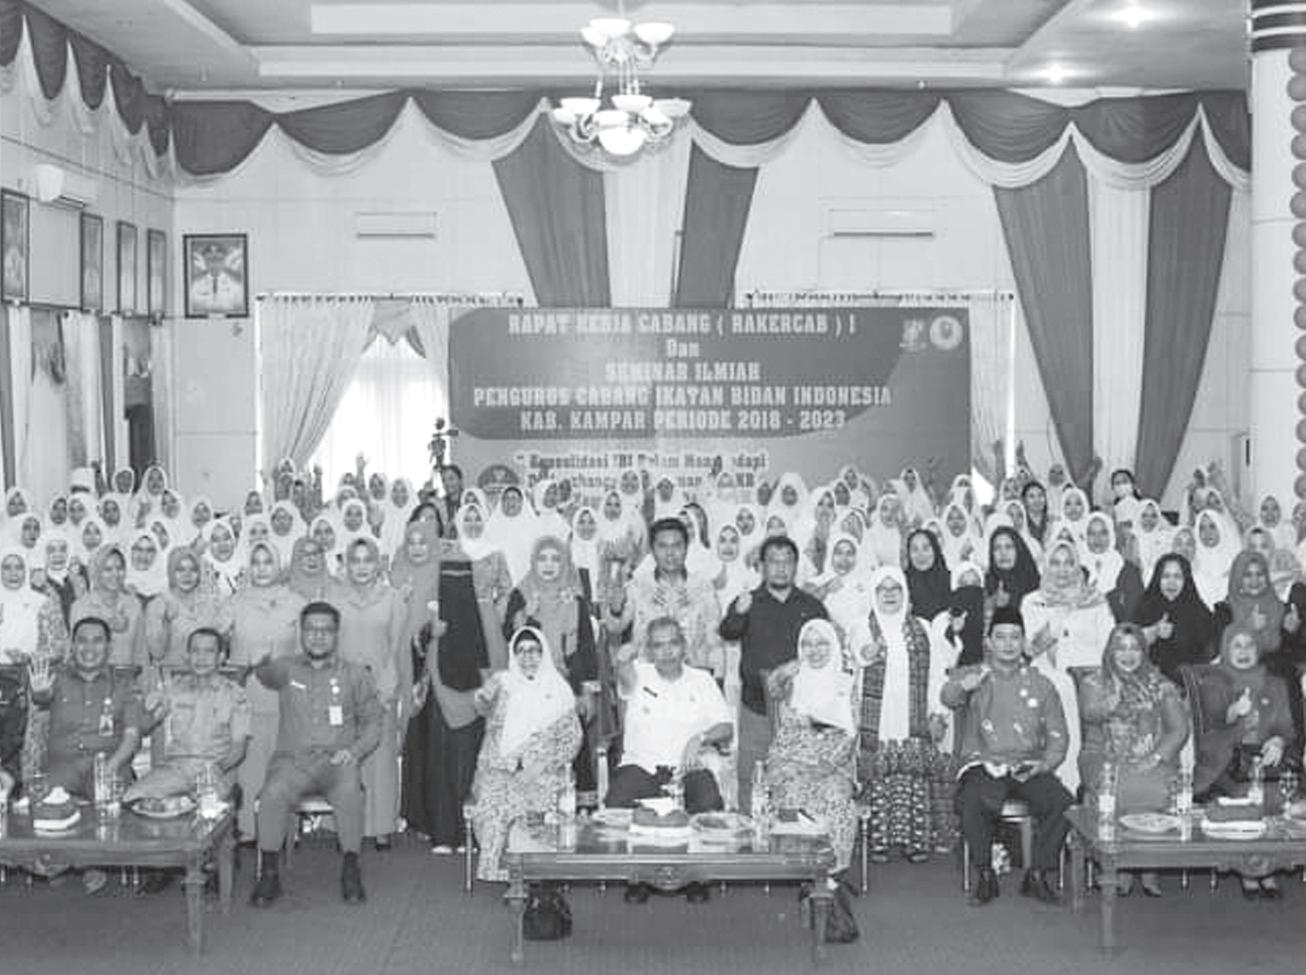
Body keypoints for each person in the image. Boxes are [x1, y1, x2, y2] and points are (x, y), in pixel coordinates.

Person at [249, 601, 383, 907]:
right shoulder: (287, 668)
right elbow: (266, 676)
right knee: (272, 793)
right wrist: (260, 662)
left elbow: (374, 722)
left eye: (326, 630)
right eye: (311, 629)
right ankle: (269, 873)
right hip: (293, 762)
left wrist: (355, 751)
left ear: (337, 634)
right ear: (301, 633)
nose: (318, 636)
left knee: (350, 792)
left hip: (337, 763)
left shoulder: (356, 674)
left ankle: (351, 869)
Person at [941, 606, 1072, 906]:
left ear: (1024, 641)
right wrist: (963, 686)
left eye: (1015, 637)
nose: (1008, 644)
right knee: (972, 799)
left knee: (1062, 802)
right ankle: (986, 874)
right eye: (1000, 637)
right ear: (988, 642)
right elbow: (947, 697)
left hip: (1028, 764)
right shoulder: (975, 675)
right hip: (983, 762)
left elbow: (1058, 735)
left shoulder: (1041, 684)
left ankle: (1037, 874)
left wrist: (1045, 765)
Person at [607, 617, 733, 904]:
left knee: (709, 804)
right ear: (649, 650)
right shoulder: (639, 675)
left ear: (684, 646)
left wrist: (700, 738)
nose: (666, 651)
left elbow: (726, 727)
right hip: (642, 764)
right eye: (658, 645)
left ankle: (696, 876)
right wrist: (626, 655)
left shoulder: (702, 680)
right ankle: (637, 875)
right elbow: (621, 667)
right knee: (616, 802)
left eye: (673, 643)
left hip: (688, 766)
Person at [124, 628, 252, 894]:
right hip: (177, 769)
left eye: (209, 652)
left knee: (207, 808)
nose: (201, 658)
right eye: (195, 651)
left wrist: (215, 771)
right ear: (187, 655)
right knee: (133, 797)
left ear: (221, 657)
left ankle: (210, 864)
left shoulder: (235, 694)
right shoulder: (173, 689)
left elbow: (239, 749)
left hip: (217, 769)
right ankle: (163, 864)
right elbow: (146, 725)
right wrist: (145, 707)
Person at [29, 616, 144, 894]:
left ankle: (90, 861)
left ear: (108, 646)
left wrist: (111, 766)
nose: (89, 648)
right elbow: (42, 697)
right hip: (62, 765)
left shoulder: (124, 684)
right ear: (73, 645)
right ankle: (63, 857)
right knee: (41, 801)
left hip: (107, 764)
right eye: (82, 641)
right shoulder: (56, 677)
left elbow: (132, 735)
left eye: (97, 641)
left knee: (107, 800)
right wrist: (40, 693)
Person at [1076, 623, 1188, 896]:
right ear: (1110, 652)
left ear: (1144, 652)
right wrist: (1112, 702)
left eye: (1135, 648)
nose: (1128, 655)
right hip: (1103, 755)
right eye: (1121, 648)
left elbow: (1179, 730)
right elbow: (1089, 713)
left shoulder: (1159, 684)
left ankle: (1150, 864)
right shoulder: (1095, 682)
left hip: (1151, 757)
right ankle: (1121, 865)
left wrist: (1156, 756)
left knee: (1161, 787)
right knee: (1119, 787)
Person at [719, 535, 829, 811]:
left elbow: (828, 652)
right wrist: (739, 613)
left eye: (787, 561)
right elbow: (728, 632)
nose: (781, 568)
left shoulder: (811, 606)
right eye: (773, 561)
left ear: (796, 566)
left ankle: (793, 831)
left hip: (800, 711)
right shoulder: (748, 601)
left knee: (797, 776)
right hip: (756, 708)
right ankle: (750, 831)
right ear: (761, 566)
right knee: (751, 775)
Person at [468, 626, 583, 882]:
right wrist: (483, 696)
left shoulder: (559, 690)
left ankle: (535, 872)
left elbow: (573, 740)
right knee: (493, 807)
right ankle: (505, 872)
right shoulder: (503, 683)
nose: (527, 657)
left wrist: (540, 766)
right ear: (513, 655)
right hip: (500, 768)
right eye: (520, 651)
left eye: (533, 650)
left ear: (543, 654)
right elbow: (482, 706)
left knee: (537, 808)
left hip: (544, 771)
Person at [1194, 624, 1297, 898]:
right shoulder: (1214, 682)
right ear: (1226, 649)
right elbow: (1213, 719)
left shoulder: (1275, 684)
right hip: (1225, 760)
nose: (1243, 651)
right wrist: (1233, 712)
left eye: (1249, 645)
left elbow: (1287, 728)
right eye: (1236, 645)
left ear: (1258, 649)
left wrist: (1278, 741)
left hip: (1265, 763)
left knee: (1279, 795)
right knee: (1248, 796)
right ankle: (1252, 871)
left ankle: (1267, 864)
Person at [851, 566, 941, 861]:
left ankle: (915, 840)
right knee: (879, 773)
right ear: (873, 594)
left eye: (895, 588)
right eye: (882, 589)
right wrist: (867, 653)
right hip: (877, 719)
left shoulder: (922, 628)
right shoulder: (862, 626)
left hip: (912, 716)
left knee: (913, 771)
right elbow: (857, 657)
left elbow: (936, 673)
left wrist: (937, 713)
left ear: (905, 592)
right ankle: (879, 841)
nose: (889, 594)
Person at [327, 537, 406, 849]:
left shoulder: (393, 599)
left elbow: (398, 649)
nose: (362, 567)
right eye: (355, 560)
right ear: (347, 564)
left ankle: (382, 825)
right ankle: (345, 826)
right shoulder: (334, 598)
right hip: (343, 691)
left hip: (380, 690)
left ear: (378, 564)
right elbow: (327, 647)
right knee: (346, 761)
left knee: (381, 761)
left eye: (368, 560)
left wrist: (385, 690)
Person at [1020, 540, 1115, 794]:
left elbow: (1109, 644)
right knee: (1062, 689)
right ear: (1045, 566)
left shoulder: (1095, 600)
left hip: (1092, 673)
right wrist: (1061, 613)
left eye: (1068, 563)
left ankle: (1095, 788)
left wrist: (1095, 674)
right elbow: (1031, 648)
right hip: (1050, 673)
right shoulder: (1033, 601)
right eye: (1055, 563)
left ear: (1077, 566)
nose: (1062, 570)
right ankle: (1067, 787)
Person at [764, 619, 858, 875]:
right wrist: (784, 672)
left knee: (837, 798)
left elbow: (851, 735)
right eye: (807, 644)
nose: (814, 650)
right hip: (790, 759)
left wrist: (825, 765)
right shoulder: (794, 680)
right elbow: (773, 688)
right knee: (791, 793)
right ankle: (800, 870)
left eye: (822, 644)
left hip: (833, 763)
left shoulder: (847, 681)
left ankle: (831, 873)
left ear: (834, 646)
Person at [228, 541, 306, 839]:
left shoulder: (296, 603)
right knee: (248, 770)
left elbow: (306, 655)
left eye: (268, 562)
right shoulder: (233, 603)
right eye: (256, 562)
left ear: (279, 566)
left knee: (283, 769)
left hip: (285, 699)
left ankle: (283, 833)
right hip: (245, 697)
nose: (262, 569)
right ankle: (247, 830)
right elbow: (214, 644)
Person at [610, 518, 723, 676]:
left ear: (686, 548)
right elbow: (616, 626)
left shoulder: (702, 587)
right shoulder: (638, 586)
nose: (670, 553)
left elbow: (713, 637)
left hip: (692, 673)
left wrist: (715, 676)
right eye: (662, 546)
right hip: (648, 672)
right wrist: (615, 609)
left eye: (677, 546)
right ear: (652, 550)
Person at [143, 546, 234, 673]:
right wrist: (166, 624)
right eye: (180, 570)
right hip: (171, 677)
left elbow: (221, 644)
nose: (187, 575)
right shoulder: (159, 604)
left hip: (205, 677)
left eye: (193, 569)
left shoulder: (211, 603)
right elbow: (157, 653)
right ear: (171, 572)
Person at [1133, 554, 1215, 684]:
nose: (1171, 582)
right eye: (1166, 576)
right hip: (1147, 683)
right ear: (1157, 579)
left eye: (1177, 577)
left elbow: (1207, 653)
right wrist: (1152, 632)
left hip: (1188, 685)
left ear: (1186, 580)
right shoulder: (1144, 607)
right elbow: (1127, 644)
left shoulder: (1198, 611)